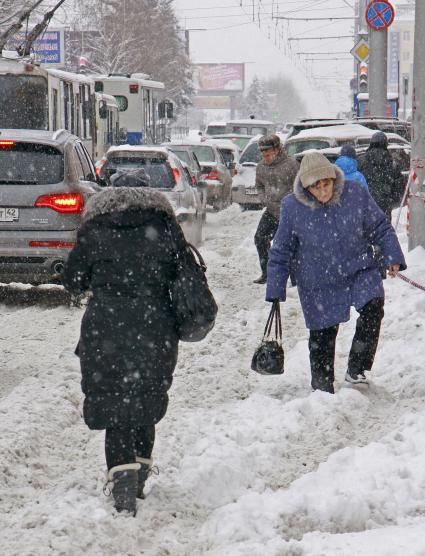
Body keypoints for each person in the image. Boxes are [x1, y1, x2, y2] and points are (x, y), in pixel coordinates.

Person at [62, 168, 190, 515]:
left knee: (114, 403)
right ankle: (140, 475)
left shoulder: (94, 229)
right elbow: (186, 275)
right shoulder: (165, 227)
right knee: (146, 398)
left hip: (106, 329)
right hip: (155, 328)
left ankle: (122, 488)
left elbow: (73, 280)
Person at [266, 151, 406, 394]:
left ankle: (357, 368)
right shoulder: (292, 206)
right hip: (318, 280)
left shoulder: (355, 194)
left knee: (373, 306)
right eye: (316, 187)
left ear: (333, 179)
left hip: (358, 268)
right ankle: (322, 387)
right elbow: (281, 250)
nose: (323, 191)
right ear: (306, 186)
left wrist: (392, 256)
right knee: (322, 335)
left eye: (326, 184)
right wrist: (275, 288)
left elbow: (380, 227)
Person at [253, 134, 299, 284]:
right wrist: (263, 198)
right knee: (260, 238)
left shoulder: (291, 165)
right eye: (263, 154)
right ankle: (267, 273)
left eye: (268, 153)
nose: (265, 156)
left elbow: (299, 187)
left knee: (290, 244)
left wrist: (291, 202)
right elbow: (259, 186)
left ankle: (295, 278)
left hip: (289, 213)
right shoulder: (261, 168)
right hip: (271, 211)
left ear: (278, 150)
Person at [358, 131, 403, 221]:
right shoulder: (392, 163)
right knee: (384, 232)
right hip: (384, 205)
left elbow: (356, 182)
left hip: (366, 203)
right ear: (385, 144)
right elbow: (399, 185)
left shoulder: (362, 160)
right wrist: (391, 199)